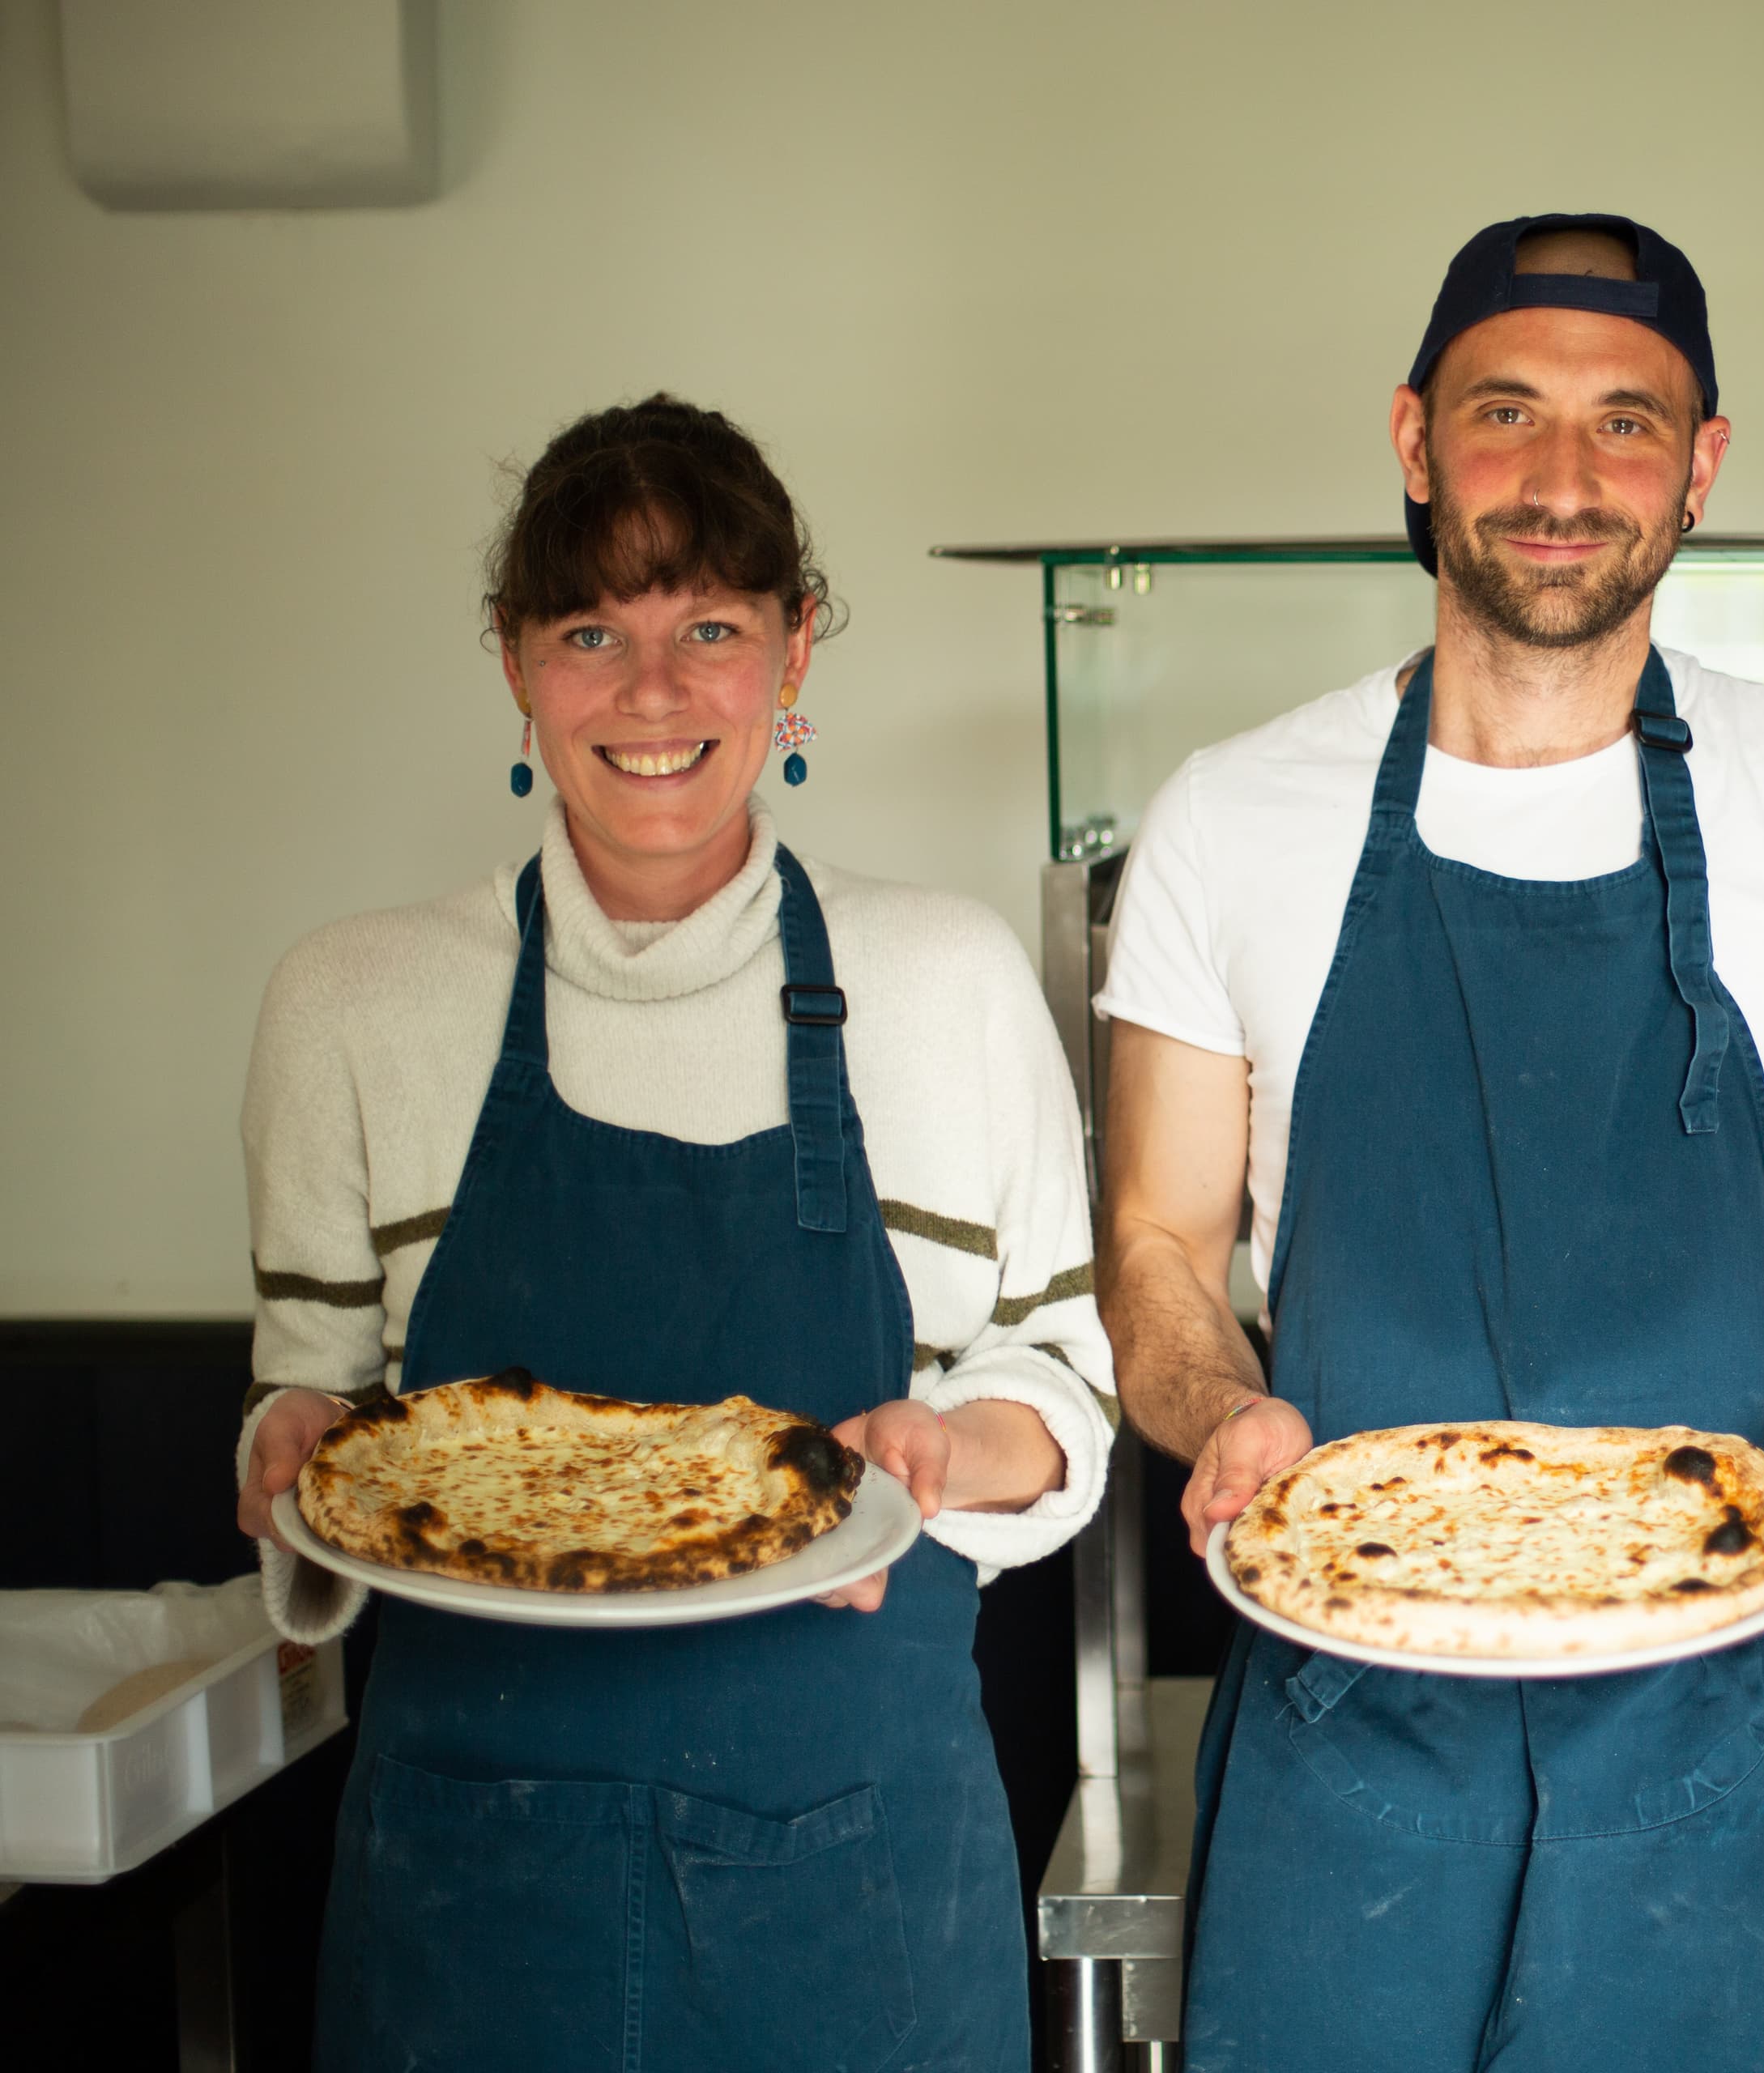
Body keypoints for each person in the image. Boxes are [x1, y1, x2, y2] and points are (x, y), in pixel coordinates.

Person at [1096, 214, 1764, 2071]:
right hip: (1359, 1751)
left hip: (1739, 1743)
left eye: (1628, 423)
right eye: (1508, 413)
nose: (1565, 479)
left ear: (1702, 465)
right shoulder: (1226, 818)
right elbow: (1160, 1248)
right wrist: (1212, 1404)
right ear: (1415, 441)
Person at [228, 394, 1112, 2071]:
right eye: (591, 630)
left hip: (854, 1884)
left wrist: (950, 1448)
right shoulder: (351, 1005)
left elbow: (1064, 1385)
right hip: (476, 1891)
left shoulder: (946, 982)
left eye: (711, 626)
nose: (653, 690)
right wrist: (285, 1441)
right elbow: (323, 1405)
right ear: (516, 663)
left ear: (794, 655)